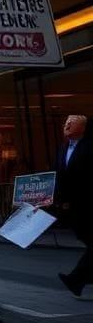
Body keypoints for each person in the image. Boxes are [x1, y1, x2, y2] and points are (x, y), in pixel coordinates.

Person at [55, 114, 92, 296]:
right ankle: (82, 278)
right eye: (66, 121)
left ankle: (76, 279)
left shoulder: (89, 146)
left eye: (72, 122)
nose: (67, 124)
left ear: (83, 128)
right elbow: (61, 178)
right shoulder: (63, 149)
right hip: (75, 208)